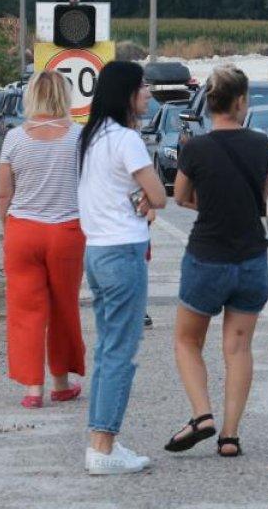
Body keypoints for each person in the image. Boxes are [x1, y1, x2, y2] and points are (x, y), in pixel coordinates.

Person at [166, 66, 268, 458]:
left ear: (209, 103)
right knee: (239, 348)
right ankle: (229, 436)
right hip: (251, 259)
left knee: (187, 341)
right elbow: (263, 198)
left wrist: (209, 204)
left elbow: (180, 196)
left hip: (207, 258)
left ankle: (202, 415)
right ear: (241, 101)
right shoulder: (261, 144)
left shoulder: (195, 148)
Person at [77, 61, 166, 476]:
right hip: (123, 252)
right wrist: (147, 198)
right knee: (120, 353)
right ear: (126, 93)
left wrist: (140, 198)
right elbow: (159, 195)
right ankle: (103, 447)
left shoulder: (91, 136)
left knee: (106, 350)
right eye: (142, 86)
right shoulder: (127, 139)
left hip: (96, 250)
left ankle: (101, 441)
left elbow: (114, 192)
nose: (148, 92)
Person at [0, 71, 85, 409]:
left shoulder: (14, 138)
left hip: (23, 231)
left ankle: (33, 388)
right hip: (66, 230)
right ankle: (61, 383)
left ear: (31, 96)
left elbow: (3, 194)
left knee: (25, 310)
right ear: (64, 96)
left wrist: (9, 228)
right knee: (64, 307)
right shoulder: (78, 137)